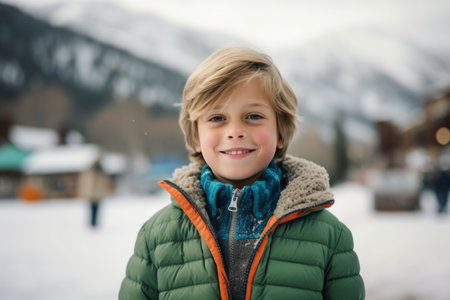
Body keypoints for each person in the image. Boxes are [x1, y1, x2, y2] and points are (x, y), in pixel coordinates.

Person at [119, 47, 365, 299]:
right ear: (195, 137)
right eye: (216, 118)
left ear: (280, 132)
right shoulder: (157, 236)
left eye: (253, 116)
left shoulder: (329, 237)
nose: (235, 131)